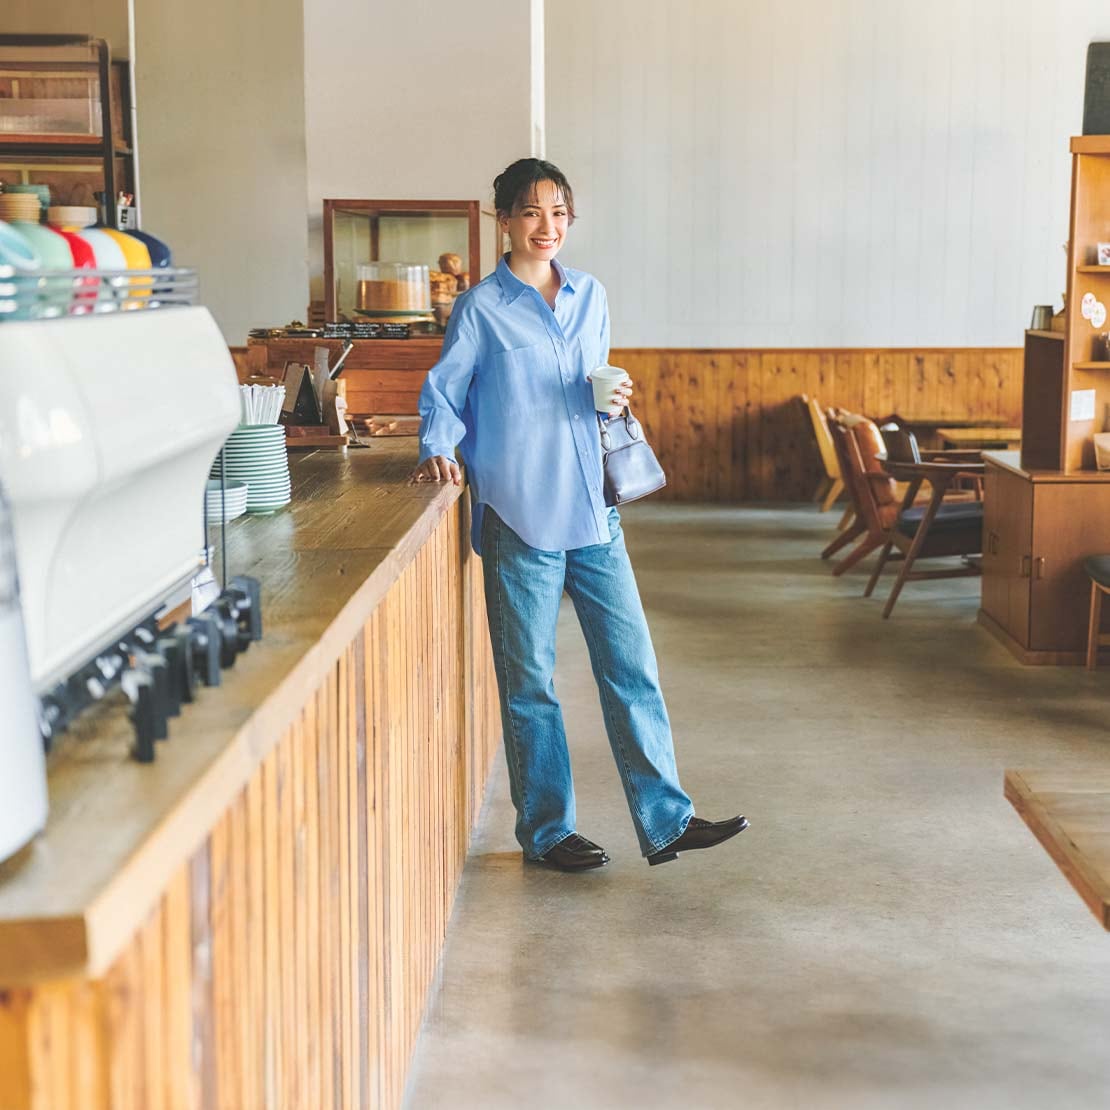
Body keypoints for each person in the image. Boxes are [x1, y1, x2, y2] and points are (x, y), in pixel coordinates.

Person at [410, 157, 747, 870]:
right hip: (520, 513)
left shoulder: (591, 294)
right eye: (531, 212)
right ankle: (548, 832)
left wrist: (615, 397)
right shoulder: (480, 309)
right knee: (531, 681)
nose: (547, 227)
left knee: (632, 666)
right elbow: (444, 393)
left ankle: (667, 819)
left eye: (559, 213)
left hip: (594, 510)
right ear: (502, 219)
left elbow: (591, 388)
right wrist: (438, 446)